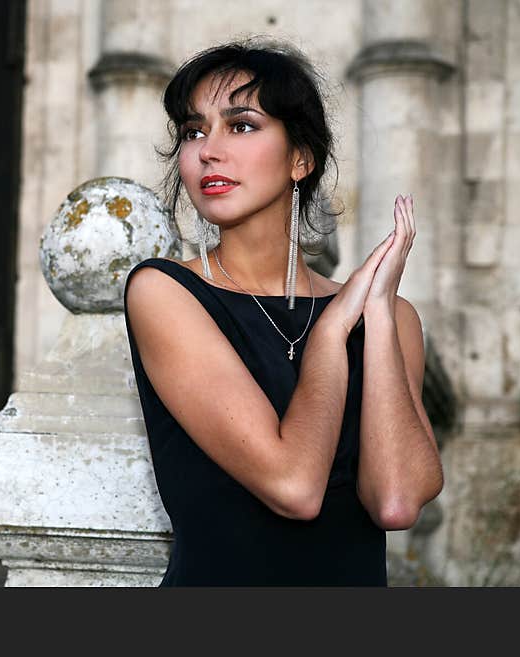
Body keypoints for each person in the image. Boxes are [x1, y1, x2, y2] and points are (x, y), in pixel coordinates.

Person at [123, 38, 444, 586]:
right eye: (194, 131)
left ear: (301, 158)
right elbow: (295, 488)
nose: (209, 151)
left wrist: (380, 316)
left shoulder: (392, 319)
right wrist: (328, 337)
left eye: (241, 125)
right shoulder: (163, 292)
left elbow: (395, 502)